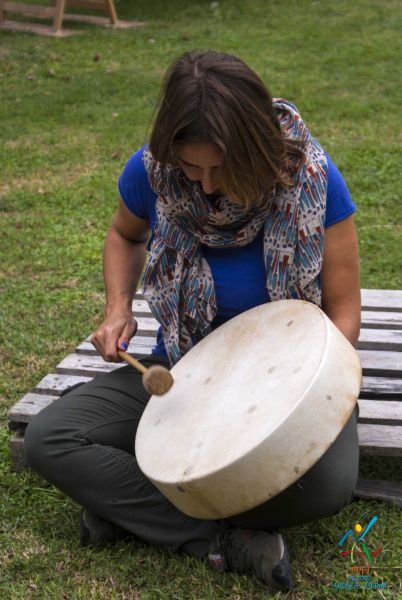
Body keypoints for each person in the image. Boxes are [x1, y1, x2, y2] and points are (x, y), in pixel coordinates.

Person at [24, 50, 361, 592]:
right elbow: (124, 235)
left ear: (254, 147)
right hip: (185, 373)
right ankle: (223, 540)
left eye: (219, 168)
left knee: (326, 485)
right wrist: (118, 309)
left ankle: (128, 511)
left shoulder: (313, 180)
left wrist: (289, 395)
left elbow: (343, 315)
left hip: (289, 384)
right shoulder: (152, 174)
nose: (203, 186)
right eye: (190, 167)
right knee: (51, 437)